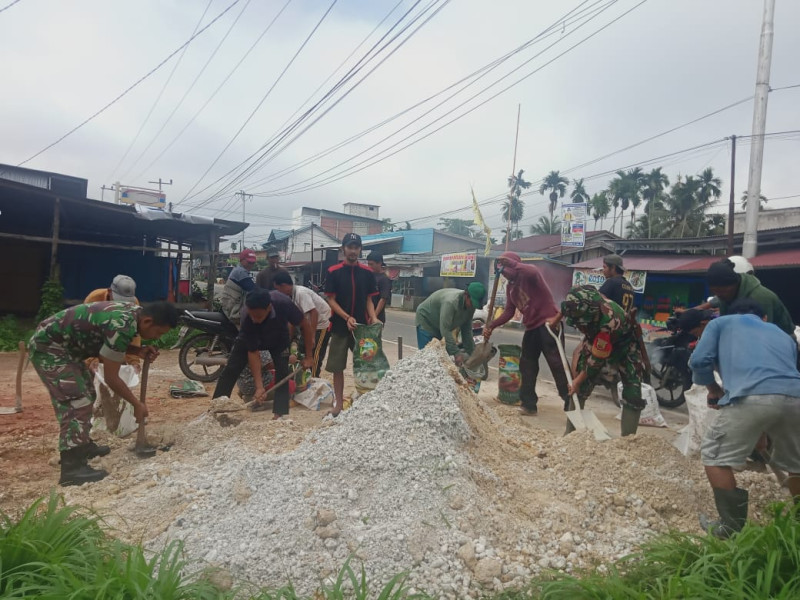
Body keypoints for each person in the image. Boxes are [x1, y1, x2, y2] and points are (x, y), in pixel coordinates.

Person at [28, 301, 178, 486]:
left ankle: (81, 444)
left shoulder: (133, 316)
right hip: (50, 348)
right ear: (147, 321)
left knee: (87, 393)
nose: (157, 337)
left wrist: (137, 350)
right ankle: (72, 467)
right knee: (77, 400)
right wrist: (136, 404)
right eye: (159, 332)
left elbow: (108, 344)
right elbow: (111, 378)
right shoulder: (121, 325)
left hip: (66, 348)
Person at [688, 298, 800, 537]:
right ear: (764, 318)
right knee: (797, 465)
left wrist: (713, 390)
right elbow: (775, 385)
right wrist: (760, 433)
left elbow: (698, 360)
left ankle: (730, 528)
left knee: (714, 457)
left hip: (751, 396)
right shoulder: (783, 334)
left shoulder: (721, 323)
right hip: (795, 398)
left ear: (732, 313)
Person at [483, 252, 569, 415]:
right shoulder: (510, 288)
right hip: (531, 328)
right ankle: (529, 404)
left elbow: (533, 270)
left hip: (548, 323)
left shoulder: (530, 275)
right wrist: (492, 325)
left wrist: (510, 263)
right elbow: (509, 312)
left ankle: (570, 400)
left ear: (514, 265)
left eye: (505, 267)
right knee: (527, 366)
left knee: (557, 364)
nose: (504, 272)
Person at [213, 289, 314, 418]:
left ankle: (279, 414)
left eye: (259, 316)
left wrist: (309, 356)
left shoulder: (283, 303)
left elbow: (305, 324)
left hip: (278, 338)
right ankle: (216, 409)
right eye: (252, 315)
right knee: (231, 369)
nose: (256, 320)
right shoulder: (246, 316)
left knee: (282, 372)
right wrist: (259, 387)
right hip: (250, 338)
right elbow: (253, 352)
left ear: (269, 308)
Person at [560, 286, 645, 436]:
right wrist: (555, 321)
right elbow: (569, 307)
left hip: (625, 346)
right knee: (579, 390)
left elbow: (596, 361)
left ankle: (628, 440)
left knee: (633, 391)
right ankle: (570, 434)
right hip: (595, 339)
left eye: (581, 323)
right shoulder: (586, 296)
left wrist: (577, 381)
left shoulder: (609, 322)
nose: (579, 327)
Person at [324, 233, 378, 416]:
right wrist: (346, 317)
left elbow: (370, 300)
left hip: (362, 329)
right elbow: (330, 299)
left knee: (364, 365)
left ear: (360, 249)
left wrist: (374, 318)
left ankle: (363, 402)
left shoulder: (368, 273)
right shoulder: (333, 271)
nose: (353, 250)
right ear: (343, 249)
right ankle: (338, 404)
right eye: (350, 247)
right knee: (337, 367)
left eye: (356, 247)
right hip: (339, 327)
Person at [705, 259, 794, 337]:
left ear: (734, 284)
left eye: (722, 291)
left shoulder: (761, 297)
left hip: (781, 340)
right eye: (714, 291)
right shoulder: (725, 297)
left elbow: (764, 334)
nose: (719, 295)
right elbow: (726, 327)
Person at [273, 271, 332, 377]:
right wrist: (288, 340)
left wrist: (312, 336)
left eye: (278, 289)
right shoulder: (290, 296)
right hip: (308, 325)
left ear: (284, 286)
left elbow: (314, 313)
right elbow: (292, 321)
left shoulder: (300, 293)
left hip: (321, 324)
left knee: (315, 355)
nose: (278, 292)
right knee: (301, 352)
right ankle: (303, 379)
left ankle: (314, 379)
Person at [415, 283, 485, 360]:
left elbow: (467, 330)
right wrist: (456, 353)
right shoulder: (450, 303)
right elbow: (445, 330)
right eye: (472, 303)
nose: (472, 306)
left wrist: (472, 352)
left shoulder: (471, 306)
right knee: (428, 357)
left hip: (440, 325)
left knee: (441, 356)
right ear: (466, 295)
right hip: (426, 320)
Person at [84, 275, 142, 369]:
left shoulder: (134, 303)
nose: (121, 305)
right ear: (110, 292)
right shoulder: (94, 299)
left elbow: (134, 333)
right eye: (119, 300)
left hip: (116, 338)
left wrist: (133, 360)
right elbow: (86, 332)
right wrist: (92, 359)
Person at [220, 249, 257, 327]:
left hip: (230, 306)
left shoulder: (240, 271)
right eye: (249, 262)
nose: (251, 265)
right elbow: (253, 290)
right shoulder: (240, 272)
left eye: (253, 262)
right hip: (233, 309)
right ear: (242, 260)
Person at [367, 251, 392, 324]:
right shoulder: (370, 276)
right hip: (366, 315)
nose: (369, 266)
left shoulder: (384, 279)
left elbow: (383, 299)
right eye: (368, 264)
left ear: (379, 263)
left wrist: (373, 316)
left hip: (377, 317)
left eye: (372, 264)